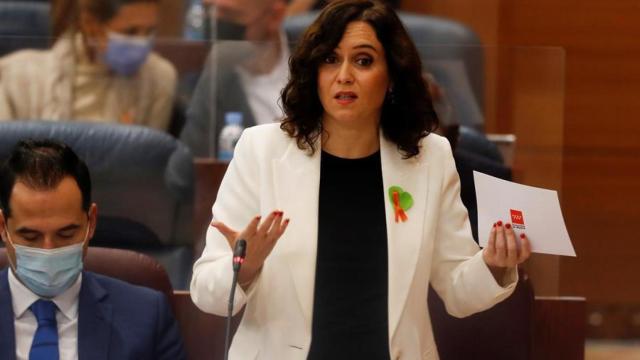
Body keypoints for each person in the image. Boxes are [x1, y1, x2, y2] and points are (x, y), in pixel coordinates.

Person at [190, 0, 531, 359]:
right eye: (330, 59)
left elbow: (459, 293)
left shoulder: (430, 157)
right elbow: (206, 292)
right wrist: (245, 267)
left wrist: (494, 264)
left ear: (392, 75)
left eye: (364, 61)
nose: (344, 76)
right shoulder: (261, 150)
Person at [0, 139, 186, 360]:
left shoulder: (146, 317)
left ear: (92, 222)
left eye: (66, 234)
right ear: (3, 227)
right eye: (30, 236)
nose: (48, 250)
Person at [0, 0, 177, 131]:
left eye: (150, 31)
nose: (142, 43)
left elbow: (147, 170)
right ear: (90, 24)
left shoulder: (160, 78)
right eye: (130, 32)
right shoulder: (14, 76)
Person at [179, 0, 290, 157]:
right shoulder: (216, 74)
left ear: (274, 16)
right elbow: (186, 170)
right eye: (209, 11)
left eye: (230, 16)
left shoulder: (318, 58)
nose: (216, 24)